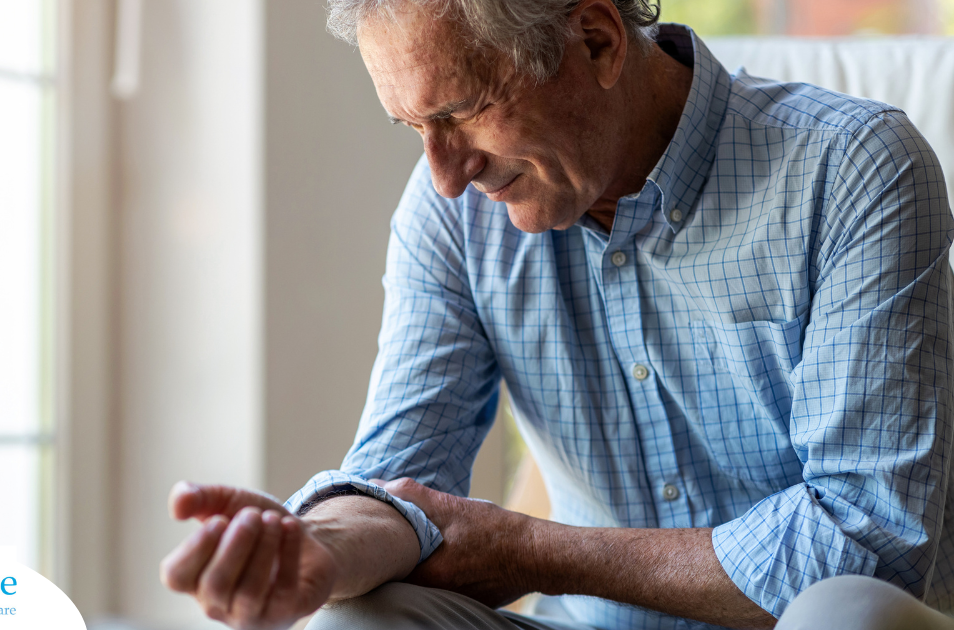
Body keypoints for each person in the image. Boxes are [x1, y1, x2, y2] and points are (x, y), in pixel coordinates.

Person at [160, 1, 954, 628]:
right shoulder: (455, 218)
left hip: (807, 622)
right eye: (413, 129)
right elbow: (403, 478)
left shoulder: (854, 169)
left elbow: (866, 546)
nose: (443, 173)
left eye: (463, 110)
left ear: (599, 41)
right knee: (359, 620)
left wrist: (535, 551)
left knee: (846, 613)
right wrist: (317, 548)